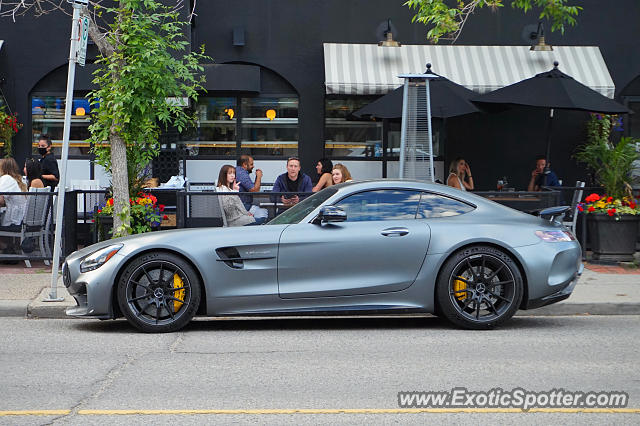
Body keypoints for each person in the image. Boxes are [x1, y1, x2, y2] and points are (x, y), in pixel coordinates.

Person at [0, 158, 28, 253]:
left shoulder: (6, 179)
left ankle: (6, 247)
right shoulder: (18, 180)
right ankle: (8, 247)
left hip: (13, 221)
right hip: (21, 219)